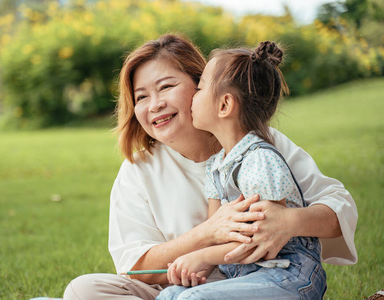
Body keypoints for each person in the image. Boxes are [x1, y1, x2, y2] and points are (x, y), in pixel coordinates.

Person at [63, 34, 357, 300]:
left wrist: (289, 221)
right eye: (141, 97)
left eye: (166, 87)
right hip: (179, 289)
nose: (154, 105)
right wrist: (206, 235)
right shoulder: (138, 169)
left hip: (264, 280)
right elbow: (134, 267)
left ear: (201, 86)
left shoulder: (260, 145)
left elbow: (339, 207)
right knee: (83, 291)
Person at [157, 41, 327, 300]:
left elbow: (264, 243)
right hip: (250, 277)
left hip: (289, 275)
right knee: (170, 295)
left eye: (200, 88)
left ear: (224, 105)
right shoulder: (216, 166)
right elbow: (217, 237)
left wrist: (199, 255)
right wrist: (197, 267)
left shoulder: (259, 161)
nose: (193, 95)